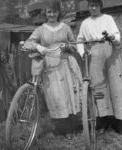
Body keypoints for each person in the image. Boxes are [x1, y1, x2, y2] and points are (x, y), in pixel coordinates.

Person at [23, 0, 83, 135]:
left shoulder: (65, 27)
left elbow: (74, 45)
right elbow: (27, 43)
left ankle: (72, 127)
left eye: (54, 11)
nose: (52, 14)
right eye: (49, 12)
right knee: (55, 97)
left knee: (68, 94)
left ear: (58, 12)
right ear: (46, 13)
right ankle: (60, 128)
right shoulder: (40, 29)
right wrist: (37, 46)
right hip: (50, 67)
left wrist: (67, 46)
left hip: (66, 63)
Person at [77, 0, 122, 133]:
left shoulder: (108, 18)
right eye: (91, 5)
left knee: (116, 84)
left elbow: (116, 36)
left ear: (100, 6)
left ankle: (120, 121)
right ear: (88, 7)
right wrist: (82, 52)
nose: (93, 8)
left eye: (96, 5)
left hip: (110, 52)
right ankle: (102, 121)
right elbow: (80, 40)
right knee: (98, 86)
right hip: (94, 54)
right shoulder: (85, 23)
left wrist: (112, 37)